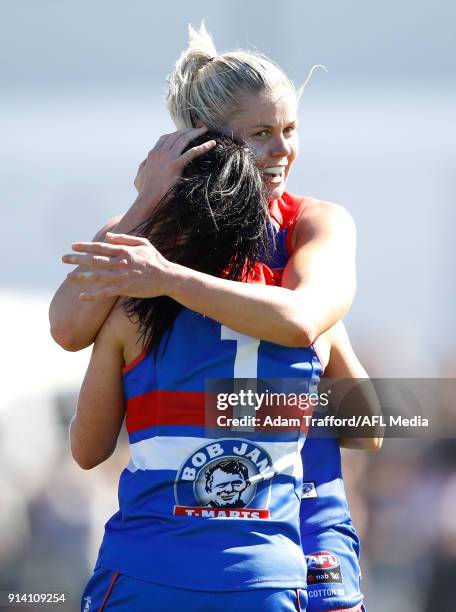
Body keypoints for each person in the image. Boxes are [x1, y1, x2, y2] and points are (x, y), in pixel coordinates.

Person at [51, 23, 378, 611]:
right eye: (261, 134)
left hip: (304, 527)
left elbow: (320, 347)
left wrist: (169, 281)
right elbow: (66, 328)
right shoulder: (148, 242)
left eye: (290, 129)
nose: (283, 151)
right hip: (250, 556)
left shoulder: (312, 223)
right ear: (204, 140)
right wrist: (147, 200)